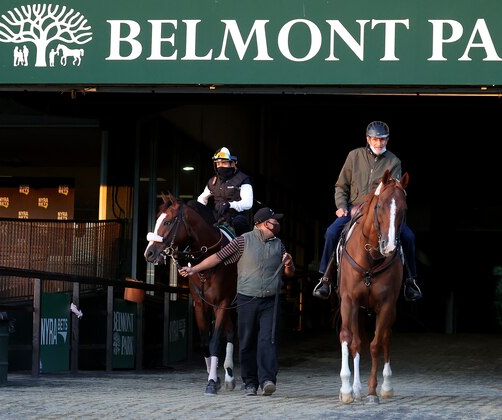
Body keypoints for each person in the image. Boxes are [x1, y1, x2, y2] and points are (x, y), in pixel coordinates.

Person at [178, 207, 295, 397]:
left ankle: (267, 380)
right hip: (247, 298)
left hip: (270, 300)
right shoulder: (242, 241)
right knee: (247, 340)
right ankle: (250, 382)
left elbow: (289, 273)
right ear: (264, 223)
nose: (277, 224)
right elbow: (217, 257)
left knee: (268, 340)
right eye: (274, 220)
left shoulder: (279, 244)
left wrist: (289, 264)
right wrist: (194, 269)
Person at [312, 121, 422, 302]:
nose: (379, 144)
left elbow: (393, 190)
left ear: (387, 140)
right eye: (376, 140)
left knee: (409, 237)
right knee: (331, 232)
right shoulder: (354, 156)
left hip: (381, 211)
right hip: (353, 209)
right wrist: (341, 206)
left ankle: (410, 281)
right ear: (368, 139)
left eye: (383, 140)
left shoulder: (394, 161)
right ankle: (325, 278)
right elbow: (341, 185)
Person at [197, 146, 254, 236]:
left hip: (237, 218)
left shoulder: (243, 179)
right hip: (218, 218)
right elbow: (201, 198)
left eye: (224, 163)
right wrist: (199, 210)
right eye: (218, 163)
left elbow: (248, 203)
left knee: (239, 222)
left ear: (233, 163)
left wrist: (229, 205)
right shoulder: (212, 182)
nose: (220, 166)